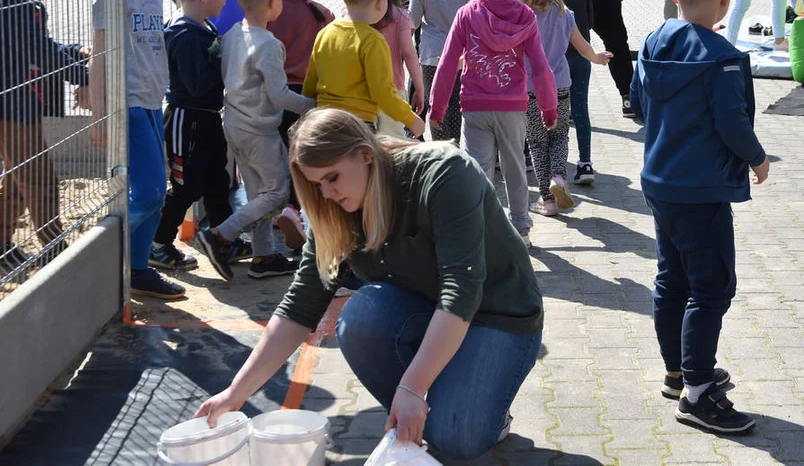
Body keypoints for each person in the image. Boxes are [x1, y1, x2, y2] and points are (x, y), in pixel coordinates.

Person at [195, 108, 544, 460]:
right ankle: (433, 401)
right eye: (316, 185)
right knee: (360, 316)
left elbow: (461, 290)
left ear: (365, 154)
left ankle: (475, 410)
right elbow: (301, 304)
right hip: (428, 310)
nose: (326, 194)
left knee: (459, 439)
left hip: (499, 314)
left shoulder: (444, 172)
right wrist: (235, 394)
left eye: (332, 178)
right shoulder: (330, 207)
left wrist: (412, 386)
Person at [629, 0, 769, 435]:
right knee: (711, 288)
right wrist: (757, 157)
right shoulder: (725, 58)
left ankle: (678, 370)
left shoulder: (652, 42)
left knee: (672, 277)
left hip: (659, 182)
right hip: (703, 190)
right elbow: (732, 124)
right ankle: (697, 393)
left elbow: (639, 105)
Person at [429, 0, 557, 248]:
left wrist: (437, 107)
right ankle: (521, 230)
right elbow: (540, 66)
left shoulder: (467, 14)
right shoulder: (525, 16)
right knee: (515, 168)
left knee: (478, 171)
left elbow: (447, 65)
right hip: (513, 107)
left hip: (475, 107)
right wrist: (548, 107)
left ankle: (482, 230)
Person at [197, 0, 316, 282]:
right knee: (276, 193)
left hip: (234, 125)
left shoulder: (233, 34)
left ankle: (263, 257)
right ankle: (220, 234)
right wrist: (312, 105)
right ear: (274, 1)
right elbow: (279, 95)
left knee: (258, 194)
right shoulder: (269, 45)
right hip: (260, 131)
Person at [89, 0, 184, 299]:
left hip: (150, 101)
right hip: (126, 103)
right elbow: (99, 56)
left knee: (158, 194)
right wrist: (99, 117)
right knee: (146, 193)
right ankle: (104, 254)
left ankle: (139, 269)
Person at [1, 0, 88, 273]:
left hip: (22, 108)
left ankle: (2, 247)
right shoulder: (12, 8)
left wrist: (75, 52)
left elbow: (43, 50)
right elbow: (44, 54)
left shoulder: (23, 5)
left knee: (18, 180)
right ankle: (54, 246)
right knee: (38, 178)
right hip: (12, 110)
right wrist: (84, 77)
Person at [508, 0, 610, 216]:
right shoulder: (564, 12)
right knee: (559, 136)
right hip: (561, 86)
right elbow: (582, 45)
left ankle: (547, 200)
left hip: (531, 90)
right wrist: (598, 58)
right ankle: (559, 178)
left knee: (537, 143)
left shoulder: (521, 16)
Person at [150, 0, 236, 271]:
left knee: (217, 180)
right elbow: (197, 84)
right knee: (186, 186)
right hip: (187, 120)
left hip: (207, 118)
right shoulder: (186, 35)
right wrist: (221, 57)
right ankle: (158, 244)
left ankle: (223, 236)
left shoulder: (204, 27)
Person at [303, 0, 425, 136]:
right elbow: (382, 93)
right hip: (357, 127)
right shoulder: (373, 41)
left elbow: (310, 84)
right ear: (380, 2)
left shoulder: (325, 33)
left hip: (324, 122)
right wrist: (412, 120)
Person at [538, 0, 614, 186]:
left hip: (552, 61)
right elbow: (589, 23)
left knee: (548, 110)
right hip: (581, 57)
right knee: (580, 110)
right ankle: (585, 163)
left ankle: (547, 162)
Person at [269, 0, 333, 246]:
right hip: (309, 98)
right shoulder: (322, 14)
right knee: (302, 160)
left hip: (276, 96)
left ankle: (279, 210)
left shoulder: (270, 13)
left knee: (278, 160)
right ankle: (295, 209)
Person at [408, 0, 470, 144]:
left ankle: (439, 150)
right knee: (455, 103)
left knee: (436, 102)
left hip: (431, 54)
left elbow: (412, 23)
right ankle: (454, 147)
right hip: (461, 54)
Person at [369, 0, 424, 138]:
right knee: (393, 146)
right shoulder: (400, 16)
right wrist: (420, 88)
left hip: (362, 89)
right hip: (393, 89)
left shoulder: (356, 15)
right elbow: (409, 53)